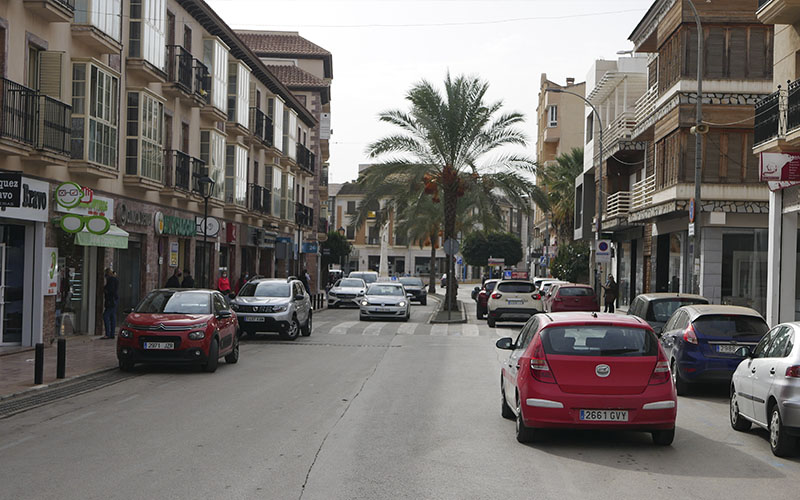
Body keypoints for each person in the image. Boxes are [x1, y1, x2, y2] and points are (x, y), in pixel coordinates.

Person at [102, 268, 119, 339]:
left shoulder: (111, 280)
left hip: (110, 300)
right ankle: (111, 333)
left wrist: (105, 290)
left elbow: (110, 290)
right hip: (114, 300)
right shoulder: (115, 279)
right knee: (112, 317)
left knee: (106, 316)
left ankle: (108, 333)